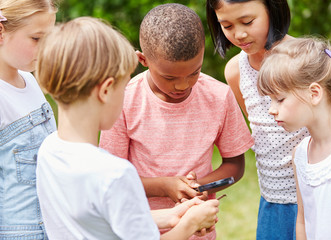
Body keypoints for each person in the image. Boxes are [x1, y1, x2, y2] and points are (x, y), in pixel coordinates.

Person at [35, 16, 220, 240]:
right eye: (123, 89)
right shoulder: (115, 174)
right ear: (106, 90)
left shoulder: (49, 149)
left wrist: (171, 216)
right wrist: (190, 224)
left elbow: (99, 219)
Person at [99, 3, 254, 239]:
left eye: (194, 72)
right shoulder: (124, 100)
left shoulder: (219, 96)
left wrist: (199, 187)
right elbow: (111, 179)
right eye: (169, 77)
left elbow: (235, 166)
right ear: (143, 60)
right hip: (138, 230)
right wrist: (164, 186)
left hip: (198, 231)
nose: (182, 85)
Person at [206, 0, 309, 239]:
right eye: (227, 25)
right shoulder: (235, 71)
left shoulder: (307, 59)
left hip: (317, 195)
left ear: (272, 9)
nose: (239, 34)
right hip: (272, 200)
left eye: (248, 21)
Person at [257, 37, 331, 240]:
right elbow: (303, 220)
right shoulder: (300, 154)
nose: (271, 110)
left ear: (314, 93)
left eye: (279, 99)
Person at [0, 0, 57, 238]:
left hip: (52, 226)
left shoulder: (29, 80)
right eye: (36, 39)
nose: (45, 49)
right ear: (1, 31)